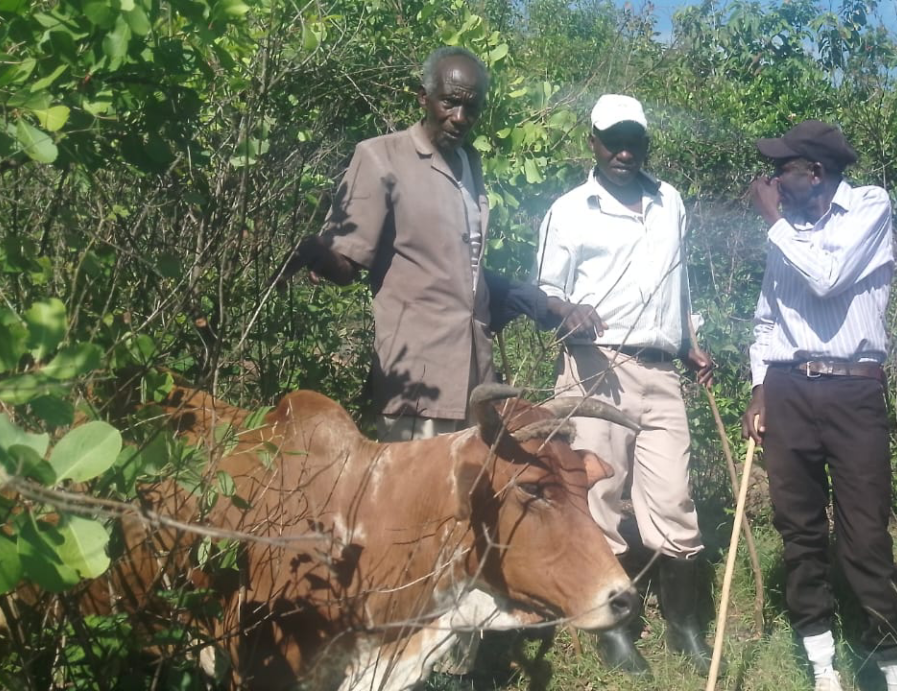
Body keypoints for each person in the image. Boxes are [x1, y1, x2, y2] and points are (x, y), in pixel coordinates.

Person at [281, 46, 553, 442]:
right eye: (450, 102)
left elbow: (463, 272)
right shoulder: (381, 158)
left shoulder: (470, 164)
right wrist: (317, 253)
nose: (459, 117)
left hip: (474, 385)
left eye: (472, 107)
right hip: (417, 383)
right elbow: (348, 264)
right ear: (424, 97)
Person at [535, 94, 715, 675]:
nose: (623, 152)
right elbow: (545, 292)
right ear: (592, 142)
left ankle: (684, 628)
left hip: (660, 370)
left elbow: (678, 283)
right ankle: (611, 630)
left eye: (633, 141)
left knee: (674, 498)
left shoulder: (669, 202)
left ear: (645, 143)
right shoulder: (569, 210)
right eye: (612, 141)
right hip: (596, 367)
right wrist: (568, 311)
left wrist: (687, 341)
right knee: (600, 497)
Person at [743, 120, 897, 691]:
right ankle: (822, 663)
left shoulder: (869, 206)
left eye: (782, 169)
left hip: (852, 390)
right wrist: (759, 388)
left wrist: (772, 220)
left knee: (864, 534)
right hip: (787, 388)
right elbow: (767, 319)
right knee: (799, 530)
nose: (772, 181)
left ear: (815, 172)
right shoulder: (786, 233)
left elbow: (828, 278)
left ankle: (889, 661)